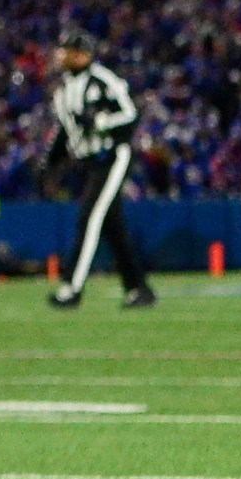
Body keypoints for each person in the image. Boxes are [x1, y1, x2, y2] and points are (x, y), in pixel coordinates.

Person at [44, 29, 155, 309]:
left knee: (89, 218)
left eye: (67, 50)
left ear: (82, 54)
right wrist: (50, 165)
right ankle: (138, 288)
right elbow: (65, 132)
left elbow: (130, 114)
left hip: (111, 155)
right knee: (112, 227)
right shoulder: (64, 90)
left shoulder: (103, 80)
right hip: (88, 162)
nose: (61, 55)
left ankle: (72, 288)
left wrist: (100, 122)